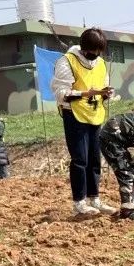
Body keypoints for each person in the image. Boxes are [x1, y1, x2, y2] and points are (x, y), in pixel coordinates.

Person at [51, 27, 117, 217]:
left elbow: (103, 86)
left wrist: (106, 93)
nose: (94, 56)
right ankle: (79, 202)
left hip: (95, 115)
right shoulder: (67, 62)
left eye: (98, 53)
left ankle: (94, 198)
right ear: (83, 47)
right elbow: (60, 93)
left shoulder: (101, 64)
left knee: (95, 159)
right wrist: (85, 94)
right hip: (74, 115)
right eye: (91, 52)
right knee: (80, 159)